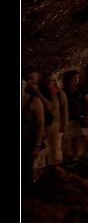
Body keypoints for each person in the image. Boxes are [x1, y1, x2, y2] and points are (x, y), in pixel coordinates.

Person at [22, 67, 46, 197]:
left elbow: (41, 124)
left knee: (26, 170)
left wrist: (37, 145)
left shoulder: (34, 101)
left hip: (28, 143)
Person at [62, 70, 88, 164]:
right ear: (68, 79)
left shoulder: (82, 89)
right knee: (73, 138)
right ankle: (75, 157)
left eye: (78, 78)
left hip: (81, 117)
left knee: (85, 137)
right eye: (74, 78)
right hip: (70, 117)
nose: (76, 80)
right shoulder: (64, 90)